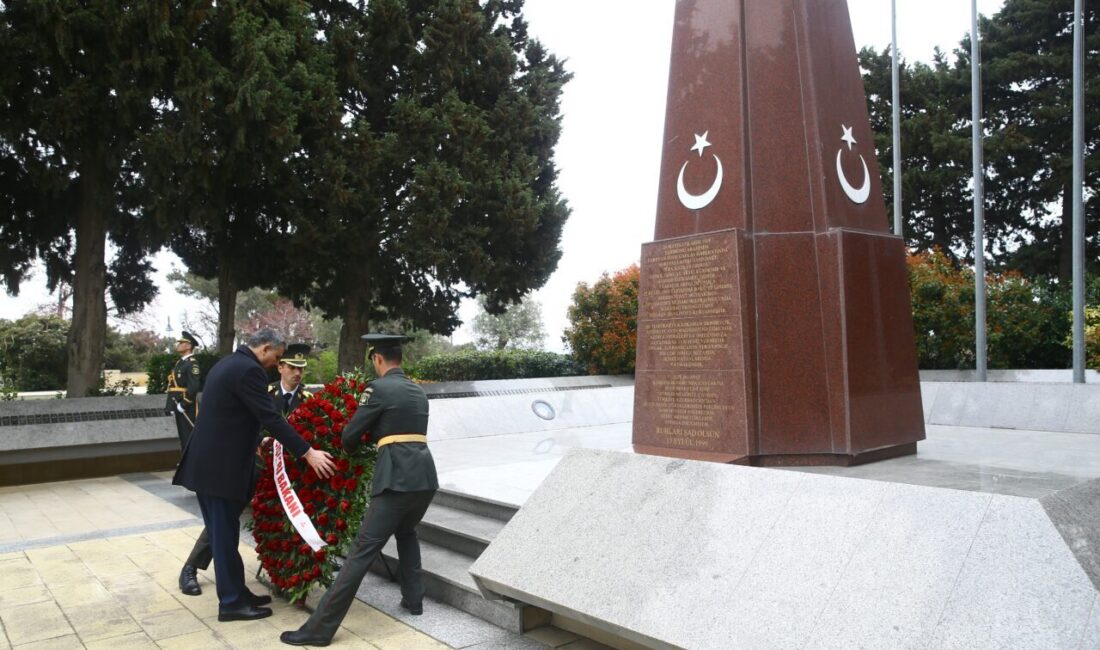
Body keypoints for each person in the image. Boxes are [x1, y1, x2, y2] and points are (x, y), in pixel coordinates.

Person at [281, 333, 438, 647]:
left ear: (377, 359)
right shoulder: (418, 392)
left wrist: (354, 447)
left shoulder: (378, 388)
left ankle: (319, 630)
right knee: (407, 533)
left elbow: (350, 435)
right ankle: (414, 600)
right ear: (399, 359)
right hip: (424, 478)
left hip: (395, 479)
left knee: (360, 554)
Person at [173, 329, 336, 622]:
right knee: (223, 537)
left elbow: (234, 415)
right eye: (276, 357)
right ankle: (232, 603)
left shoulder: (229, 363)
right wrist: (307, 452)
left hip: (208, 465)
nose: (275, 364)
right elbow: (270, 417)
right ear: (264, 348)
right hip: (219, 469)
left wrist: (257, 442)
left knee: (226, 534)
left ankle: (238, 592)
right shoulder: (250, 370)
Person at [165, 331, 202, 449]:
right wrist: (170, 405)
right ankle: (186, 463)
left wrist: (184, 404)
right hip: (178, 404)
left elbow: (194, 387)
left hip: (187, 406)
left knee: (190, 435)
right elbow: (173, 387)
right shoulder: (180, 363)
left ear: (188, 346)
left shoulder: (192, 364)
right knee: (183, 437)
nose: (178, 345)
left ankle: (194, 464)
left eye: (181, 343)